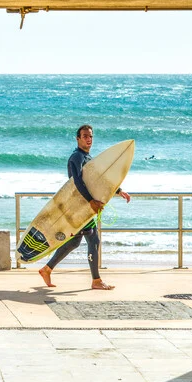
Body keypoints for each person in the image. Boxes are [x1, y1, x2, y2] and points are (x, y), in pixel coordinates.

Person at [39, 124, 131, 289]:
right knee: (94, 240)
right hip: (80, 207)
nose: (89, 139)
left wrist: (119, 190)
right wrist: (90, 201)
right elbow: (77, 183)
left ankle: (47, 269)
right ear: (78, 138)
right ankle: (96, 281)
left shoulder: (88, 158)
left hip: (84, 207)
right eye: (85, 136)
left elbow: (96, 181)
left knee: (75, 242)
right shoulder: (77, 157)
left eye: (91, 136)